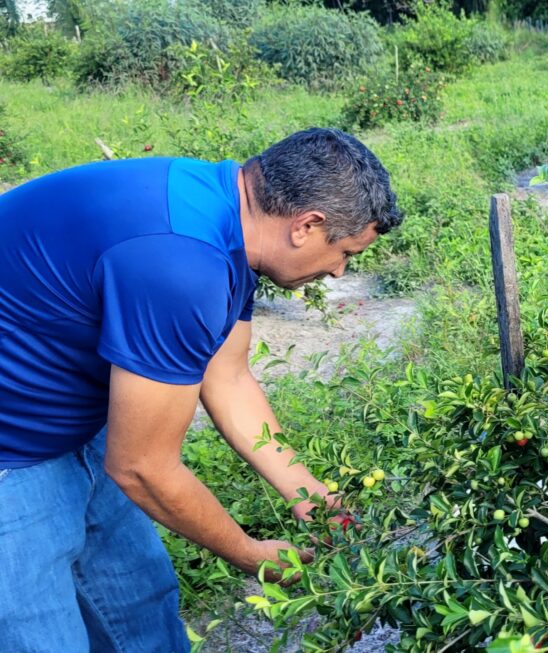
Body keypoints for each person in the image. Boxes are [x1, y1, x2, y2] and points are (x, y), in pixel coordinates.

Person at [0, 127, 402, 652]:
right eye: (345, 251)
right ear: (307, 225)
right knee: (41, 635)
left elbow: (228, 374)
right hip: (10, 452)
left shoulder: (231, 221)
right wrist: (247, 551)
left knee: (140, 608)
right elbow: (142, 466)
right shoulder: (181, 262)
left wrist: (313, 497)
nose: (338, 271)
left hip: (74, 420)